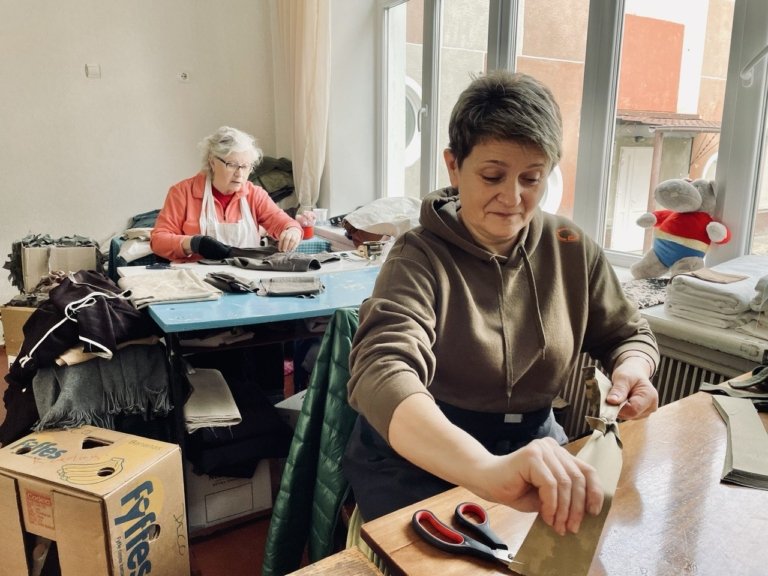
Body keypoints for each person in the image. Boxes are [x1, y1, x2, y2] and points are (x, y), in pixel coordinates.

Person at [343, 71, 660, 537]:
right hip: (423, 459)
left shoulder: (569, 245)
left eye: (532, 179)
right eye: (492, 176)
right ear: (454, 166)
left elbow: (627, 333)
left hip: (534, 448)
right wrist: (485, 470)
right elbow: (382, 372)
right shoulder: (418, 256)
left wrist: (634, 368)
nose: (512, 198)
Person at [150, 126, 303, 261]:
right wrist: (193, 243)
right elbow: (158, 241)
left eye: (245, 166)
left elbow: (284, 223)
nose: (240, 174)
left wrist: (292, 230)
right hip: (197, 278)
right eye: (232, 165)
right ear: (212, 162)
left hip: (246, 276)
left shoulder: (254, 194)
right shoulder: (182, 193)